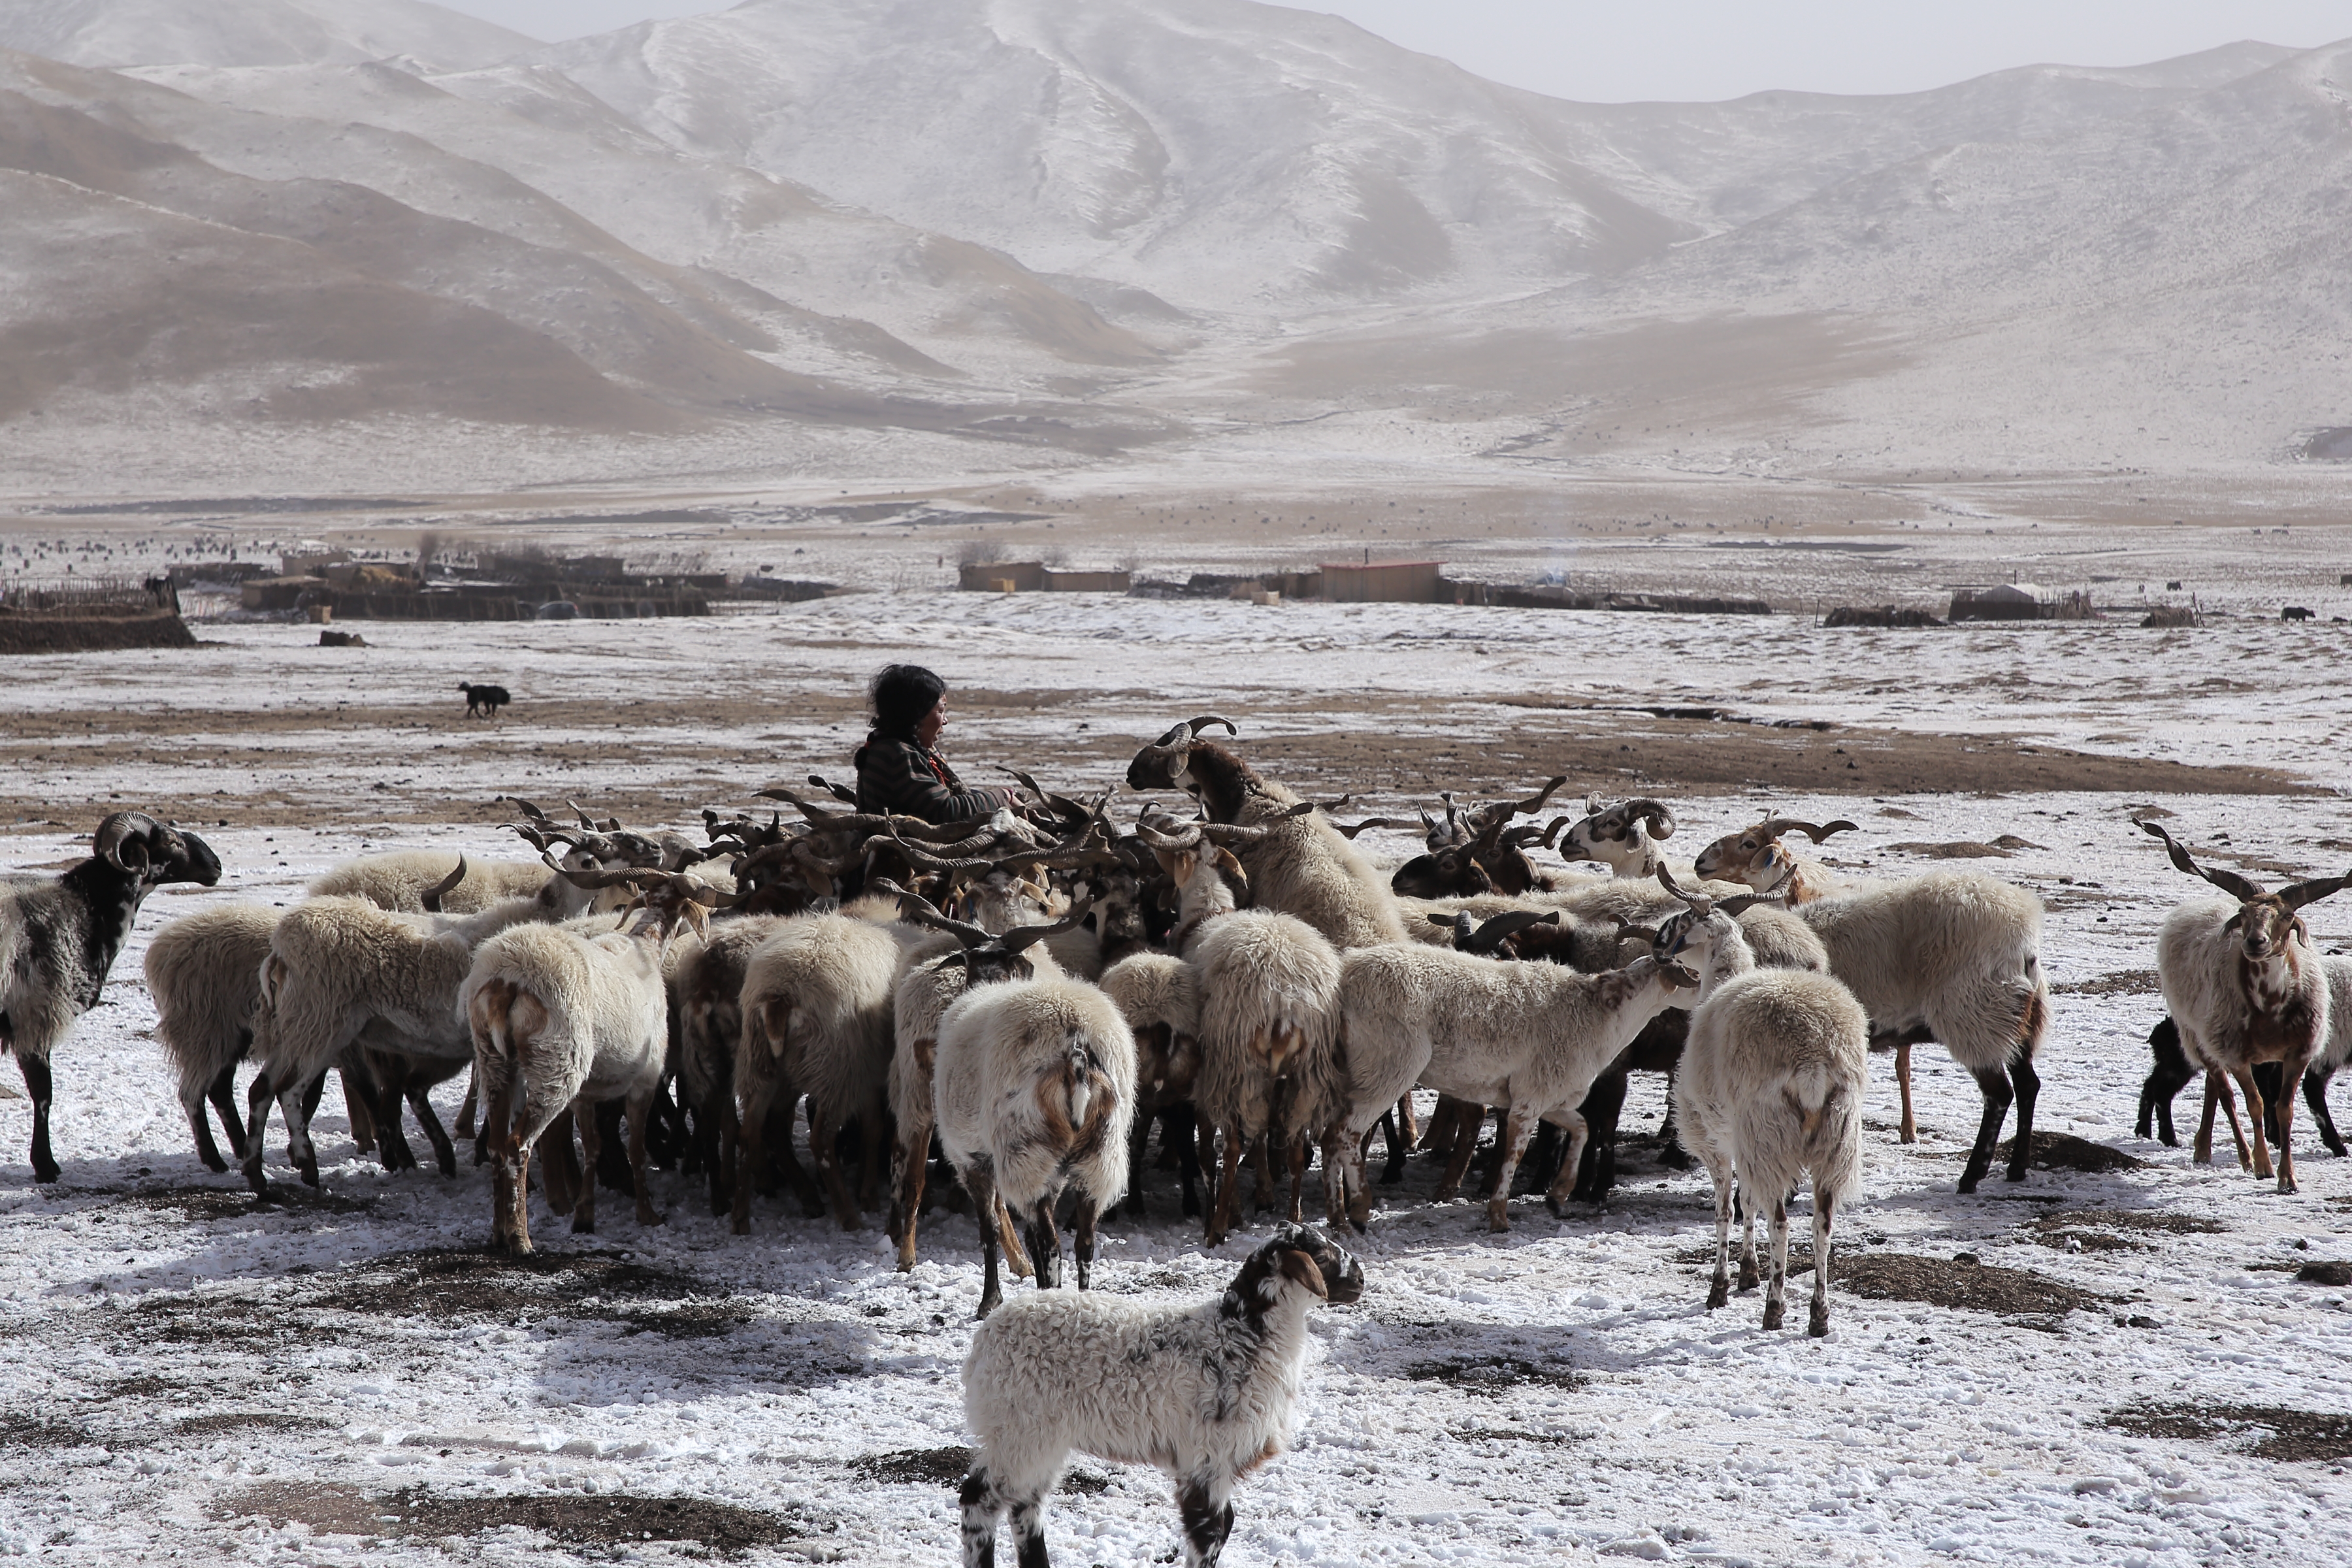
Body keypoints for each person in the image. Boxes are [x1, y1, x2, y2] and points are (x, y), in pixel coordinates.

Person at [853, 664, 1019, 825]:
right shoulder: (898, 754)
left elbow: (945, 797)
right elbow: (945, 811)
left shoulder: (901, 747)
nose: (945, 721)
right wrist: (1003, 796)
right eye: (941, 710)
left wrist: (999, 797)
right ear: (916, 715)